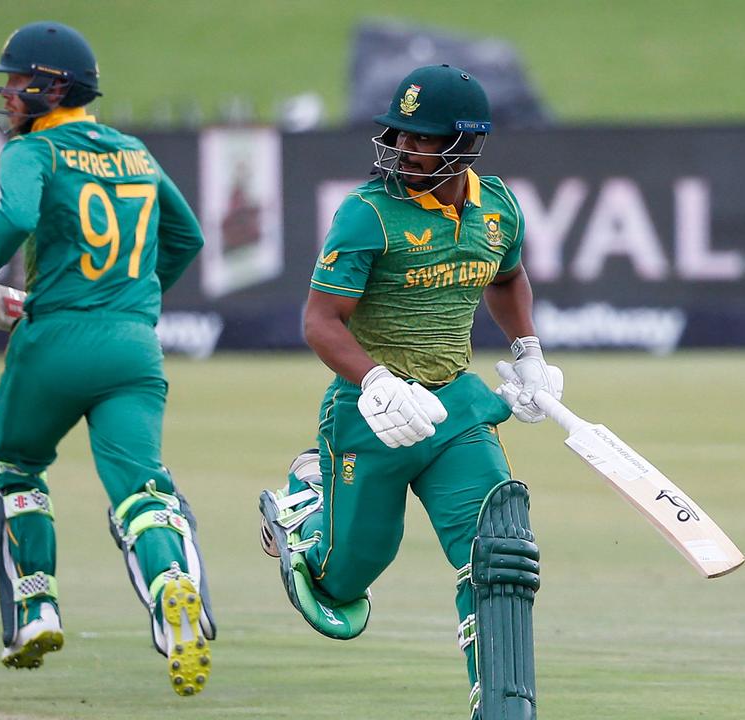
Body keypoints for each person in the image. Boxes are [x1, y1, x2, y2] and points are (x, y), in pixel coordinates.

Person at [0, 21, 214, 696]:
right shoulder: (133, 151)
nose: (7, 94)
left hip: (55, 343)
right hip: (134, 348)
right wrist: (130, 301)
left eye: (16, 81)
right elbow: (187, 238)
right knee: (141, 489)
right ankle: (171, 589)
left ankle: (36, 607)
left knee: (10, 459)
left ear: (53, 87)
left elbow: (14, 219)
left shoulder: (33, 150)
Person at [258, 64, 562, 720]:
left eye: (423, 139)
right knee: (344, 582)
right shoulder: (368, 213)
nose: (404, 148)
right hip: (370, 414)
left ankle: (504, 708)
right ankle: (305, 509)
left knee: (500, 550)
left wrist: (529, 353)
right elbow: (319, 321)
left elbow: (506, 279)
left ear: (465, 143)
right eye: (400, 133)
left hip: (455, 405)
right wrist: (373, 380)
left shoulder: (498, 206)